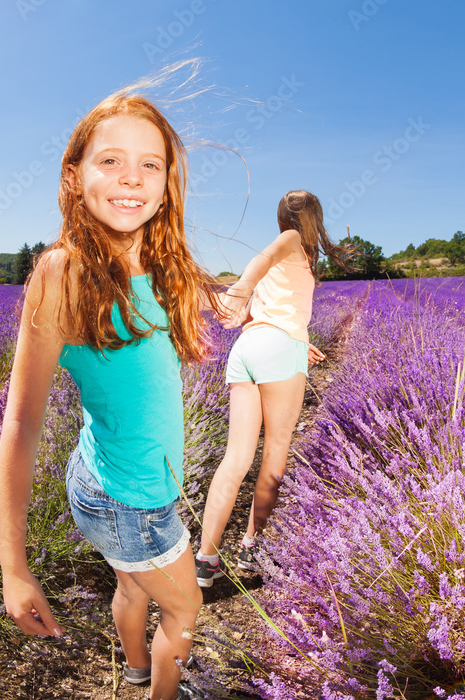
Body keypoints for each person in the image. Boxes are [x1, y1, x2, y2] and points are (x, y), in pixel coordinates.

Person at [0, 85, 220, 700]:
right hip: (131, 500)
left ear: (168, 180)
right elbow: (21, 422)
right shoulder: (63, 272)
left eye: (150, 164)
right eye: (110, 160)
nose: (132, 179)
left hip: (113, 478)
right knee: (186, 611)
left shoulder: (156, 257)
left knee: (131, 588)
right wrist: (14, 569)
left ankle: (139, 670)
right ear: (75, 174)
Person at [194, 190, 352, 587]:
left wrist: (299, 338)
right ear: (310, 218)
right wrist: (240, 289)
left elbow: (264, 314)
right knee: (274, 456)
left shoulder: (287, 262)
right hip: (278, 352)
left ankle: (205, 561)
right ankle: (252, 549)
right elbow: (259, 262)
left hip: (248, 349)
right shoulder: (293, 241)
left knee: (236, 458)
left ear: (280, 216)